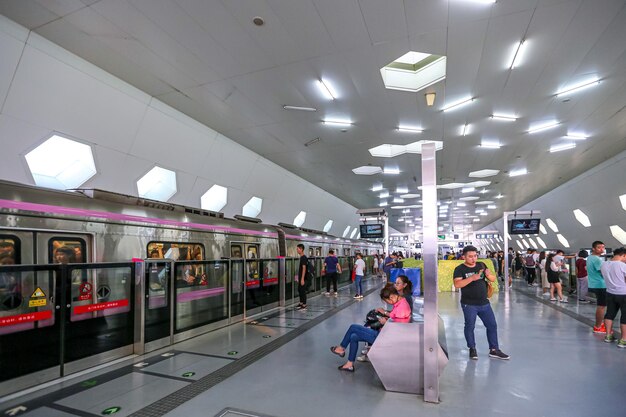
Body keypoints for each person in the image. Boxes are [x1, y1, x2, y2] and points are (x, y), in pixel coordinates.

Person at [330, 285, 411, 372]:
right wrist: (386, 316)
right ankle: (349, 364)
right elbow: (395, 317)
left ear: (391, 297)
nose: (388, 303)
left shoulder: (402, 307)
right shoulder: (400, 303)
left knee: (353, 327)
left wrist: (385, 322)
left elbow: (397, 326)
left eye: (387, 301)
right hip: (385, 333)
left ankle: (341, 348)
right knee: (353, 336)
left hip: (383, 337)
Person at [453, 245, 509, 360]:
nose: (473, 259)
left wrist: (488, 275)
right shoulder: (460, 269)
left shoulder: (481, 265)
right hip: (469, 304)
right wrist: (471, 278)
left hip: (484, 303)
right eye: (470, 256)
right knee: (470, 326)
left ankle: (494, 349)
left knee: (492, 325)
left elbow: (493, 279)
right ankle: (472, 348)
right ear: (464, 257)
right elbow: (457, 284)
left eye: (475, 256)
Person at [600, 247, 626, 347]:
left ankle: (608, 336)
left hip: (610, 293)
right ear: (623, 255)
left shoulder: (604, 264)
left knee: (609, 314)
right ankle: (623, 340)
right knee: (625, 316)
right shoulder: (622, 265)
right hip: (624, 293)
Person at [587, 241, 607, 333]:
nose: (602, 249)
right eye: (599, 247)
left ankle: (599, 324)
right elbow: (603, 272)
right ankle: (598, 326)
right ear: (593, 249)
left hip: (593, 283)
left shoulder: (590, 257)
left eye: (603, 247)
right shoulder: (597, 259)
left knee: (601, 305)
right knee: (601, 306)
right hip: (600, 285)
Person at [296, 244, 308, 311]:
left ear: (301, 249)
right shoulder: (301, 257)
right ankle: (301, 303)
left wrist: (302, 278)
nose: (297, 250)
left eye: (297, 249)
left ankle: (304, 304)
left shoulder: (303, 258)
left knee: (302, 291)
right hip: (301, 277)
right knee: (300, 290)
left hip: (303, 278)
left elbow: (304, 268)